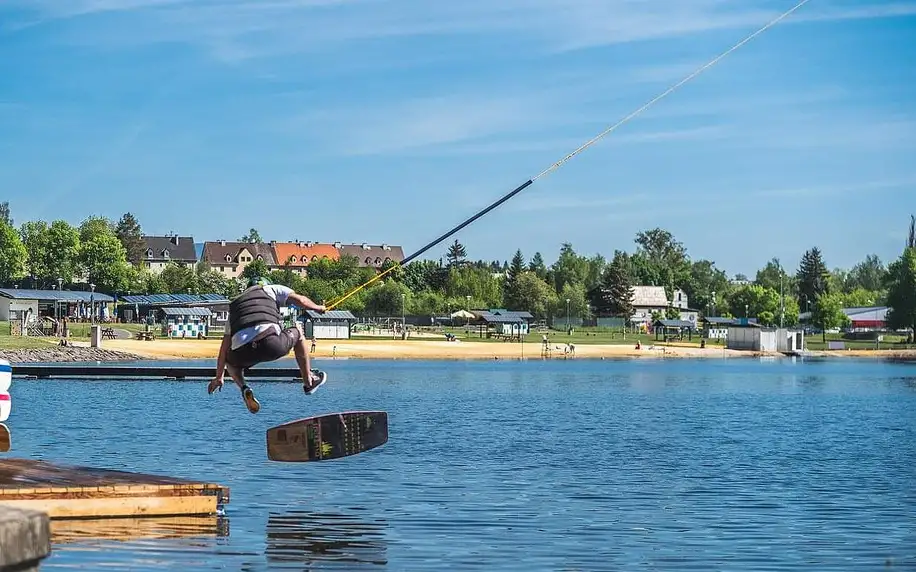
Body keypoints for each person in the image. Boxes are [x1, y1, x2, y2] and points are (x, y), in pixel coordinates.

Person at [208, 277, 327, 413]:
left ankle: (244, 388)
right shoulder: (272, 289)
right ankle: (309, 381)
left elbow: (223, 351)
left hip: (242, 352)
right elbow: (301, 301)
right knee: (298, 331)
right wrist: (318, 308)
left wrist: (219, 377)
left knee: (230, 363)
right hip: (271, 344)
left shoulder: (236, 309)